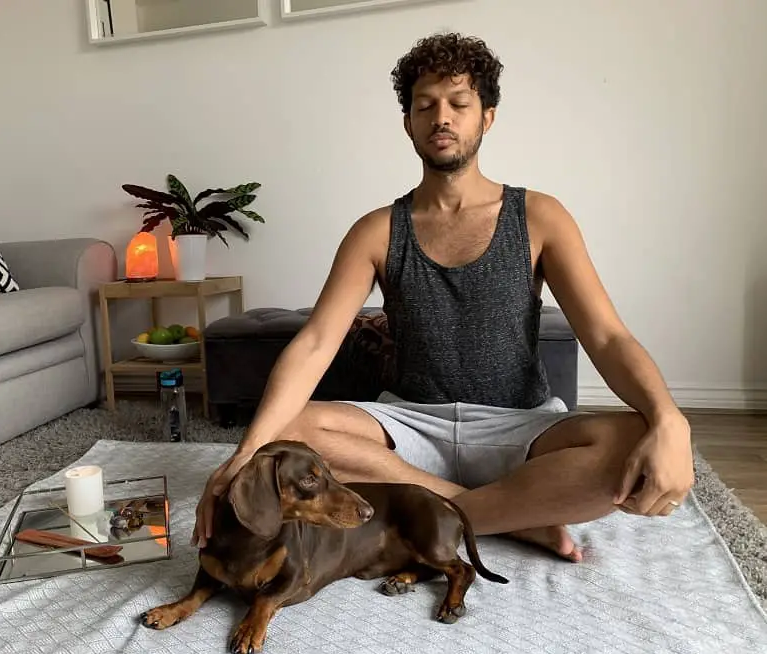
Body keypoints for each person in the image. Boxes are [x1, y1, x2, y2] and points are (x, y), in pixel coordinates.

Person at [191, 32, 693, 562]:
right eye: (425, 106)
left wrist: (669, 417)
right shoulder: (377, 230)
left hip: (520, 428)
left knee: (636, 439)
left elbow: (608, 336)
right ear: (408, 122)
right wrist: (245, 453)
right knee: (282, 431)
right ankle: (507, 516)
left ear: (487, 117)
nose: (442, 118)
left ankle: (455, 514)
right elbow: (315, 343)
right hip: (410, 429)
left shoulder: (542, 217)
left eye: (459, 103)